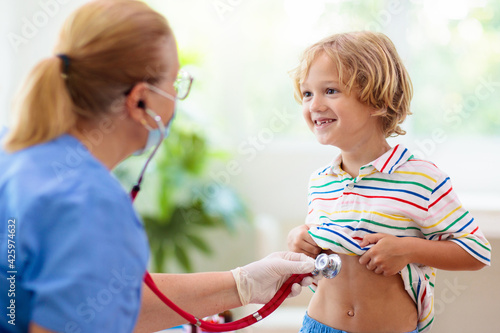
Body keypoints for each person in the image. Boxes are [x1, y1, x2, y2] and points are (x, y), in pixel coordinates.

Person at [0, 1, 316, 332]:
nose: (177, 98)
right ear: (141, 100)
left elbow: (92, 301)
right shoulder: (88, 203)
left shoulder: (16, 153)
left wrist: (241, 285)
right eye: (175, 83)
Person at [287, 31, 491, 333]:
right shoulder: (320, 182)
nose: (314, 104)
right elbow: (321, 254)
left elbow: (476, 251)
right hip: (318, 325)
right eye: (307, 93)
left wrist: (409, 249)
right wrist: (298, 239)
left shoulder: (420, 178)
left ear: (376, 100)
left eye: (330, 90)